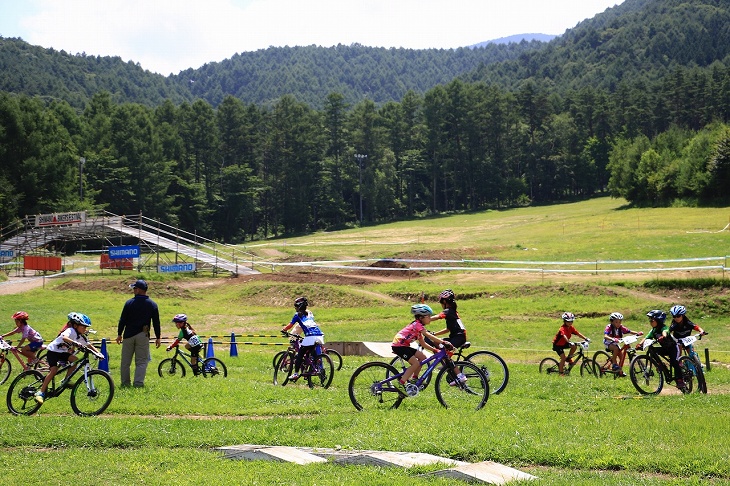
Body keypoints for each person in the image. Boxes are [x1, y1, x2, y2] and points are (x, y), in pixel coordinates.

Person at [35, 313, 100, 404]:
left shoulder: (80, 336)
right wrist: (75, 343)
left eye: (86, 327)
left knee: (75, 360)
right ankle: (40, 392)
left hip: (62, 353)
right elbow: (64, 337)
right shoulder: (70, 330)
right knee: (53, 370)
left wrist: (99, 353)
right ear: (76, 325)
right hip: (53, 351)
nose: (85, 329)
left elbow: (89, 345)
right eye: (83, 327)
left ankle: (66, 380)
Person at [392, 303, 454, 394]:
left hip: (404, 346)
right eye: (428, 316)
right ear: (421, 318)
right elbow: (428, 335)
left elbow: (423, 343)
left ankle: (414, 379)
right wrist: (443, 342)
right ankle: (400, 383)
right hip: (399, 346)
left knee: (422, 357)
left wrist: (434, 350)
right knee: (415, 363)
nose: (430, 318)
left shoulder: (418, 329)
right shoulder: (417, 325)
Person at [116, 279, 161, 388]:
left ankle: (125, 383)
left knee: (125, 362)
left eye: (135, 288)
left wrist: (119, 334)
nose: (134, 290)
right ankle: (138, 383)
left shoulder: (129, 303)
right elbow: (156, 322)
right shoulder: (152, 304)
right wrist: (158, 337)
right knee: (141, 361)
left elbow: (123, 320)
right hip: (142, 335)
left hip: (128, 335)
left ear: (140, 290)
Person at [636, 309, 685, 392]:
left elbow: (665, 332)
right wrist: (639, 344)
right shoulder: (653, 330)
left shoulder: (664, 327)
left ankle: (680, 380)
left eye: (652, 320)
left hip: (673, 348)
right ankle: (660, 365)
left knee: (674, 362)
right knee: (653, 351)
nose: (650, 322)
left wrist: (663, 336)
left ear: (658, 320)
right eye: (650, 320)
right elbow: (646, 337)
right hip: (665, 349)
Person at [280, 297, 324, 382]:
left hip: (310, 336)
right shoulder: (310, 313)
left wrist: (284, 330)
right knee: (313, 353)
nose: (295, 308)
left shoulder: (297, 315)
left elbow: (290, 325)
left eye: (295, 306)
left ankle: (296, 373)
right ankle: (317, 368)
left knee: (300, 354)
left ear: (299, 306)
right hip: (320, 335)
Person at [603, 312, 642, 377]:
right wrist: (613, 339)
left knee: (621, 357)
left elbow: (629, 331)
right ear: (612, 322)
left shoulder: (621, 327)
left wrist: (638, 333)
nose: (618, 324)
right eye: (616, 322)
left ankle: (620, 372)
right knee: (616, 349)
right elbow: (605, 336)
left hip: (616, 342)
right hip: (608, 342)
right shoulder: (609, 327)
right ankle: (614, 364)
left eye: (620, 322)